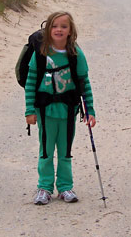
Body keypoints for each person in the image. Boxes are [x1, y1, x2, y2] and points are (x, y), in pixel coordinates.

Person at [25, 11, 96, 205]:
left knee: (65, 151)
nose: (59, 30)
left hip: (68, 110)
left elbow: (84, 84)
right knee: (46, 151)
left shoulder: (75, 54)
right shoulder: (40, 53)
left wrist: (89, 110)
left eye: (64, 26)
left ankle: (65, 187)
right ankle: (44, 188)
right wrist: (29, 111)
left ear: (70, 30)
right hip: (45, 111)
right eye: (55, 26)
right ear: (48, 29)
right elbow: (31, 82)